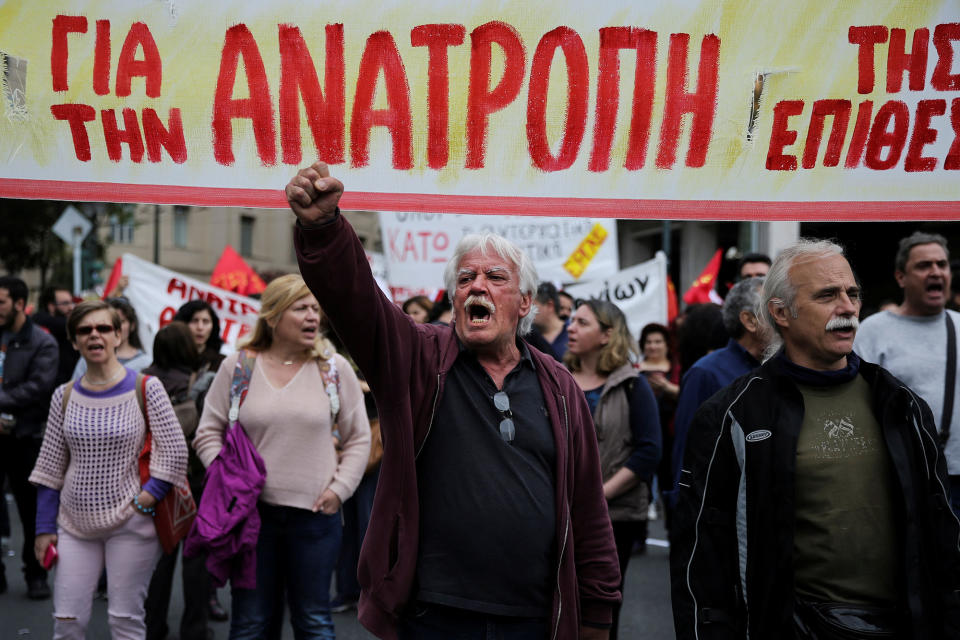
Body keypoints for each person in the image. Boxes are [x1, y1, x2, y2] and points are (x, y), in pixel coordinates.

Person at [286, 161, 620, 640]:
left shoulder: (560, 387)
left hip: (533, 616)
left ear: (525, 303)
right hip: (435, 614)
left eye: (494, 278)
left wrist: (597, 615)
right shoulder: (418, 358)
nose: (476, 286)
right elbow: (356, 301)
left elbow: (588, 507)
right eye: (465, 279)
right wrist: (323, 230)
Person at [671, 239, 960, 639]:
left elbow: (943, 536)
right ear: (781, 313)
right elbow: (701, 559)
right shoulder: (732, 415)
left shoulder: (901, 405)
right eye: (827, 295)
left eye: (852, 294)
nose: (847, 307)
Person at [192, 274, 371, 640]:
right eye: (301, 308)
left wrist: (339, 490)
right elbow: (207, 432)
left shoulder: (334, 369)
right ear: (272, 316)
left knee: (314, 621)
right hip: (250, 518)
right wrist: (226, 480)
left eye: (316, 309)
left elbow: (358, 438)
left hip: (316, 520)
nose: (312, 317)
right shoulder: (238, 366)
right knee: (251, 622)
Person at [30, 299, 189, 638]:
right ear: (74, 341)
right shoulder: (65, 395)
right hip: (74, 524)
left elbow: (174, 452)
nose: (94, 336)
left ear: (119, 335)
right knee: (67, 621)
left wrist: (147, 499)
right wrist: (44, 527)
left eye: (103, 328)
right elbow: (50, 467)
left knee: (125, 620)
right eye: (85, 331)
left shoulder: (146, 387)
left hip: (132, 524)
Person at [565, 299, 660, 640]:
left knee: (600, 611)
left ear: (607, 335)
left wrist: (597, 496)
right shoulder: (557, 379)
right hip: (561, 514)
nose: (570, 328)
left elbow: (649, 452)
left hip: (614, 517)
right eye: (571, 320)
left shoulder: (633, 385)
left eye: (582, 322)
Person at [854, 231, 960, 517]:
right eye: (924, 266)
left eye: (942, 264)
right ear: (901, 277)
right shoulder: (873, 331)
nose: (935, 272)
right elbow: (857, 402)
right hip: (903, 476)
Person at [143, 321, 217, 640]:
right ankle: (195, 628)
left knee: (158, 559)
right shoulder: (199, 383)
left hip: (154, 482)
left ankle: (151, 626)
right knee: (196, 559)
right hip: (196, 480)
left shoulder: (140, 382)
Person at [668, 278, 768, 510]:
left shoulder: (780, 368)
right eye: (773, 308)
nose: (785, 316)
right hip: (718, 512)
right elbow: (686, 451)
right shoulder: (706, 372)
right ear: (749, 320)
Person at [0, 276, 58, 598]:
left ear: (20, 304)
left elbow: (39, 387)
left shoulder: (42, 342)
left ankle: (36, 575)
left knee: (30, 510)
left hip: (26, 438)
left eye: (2, 302)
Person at [637, 323, 681, 527]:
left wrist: (668, 388)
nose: (653, 346)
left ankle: (673, 529)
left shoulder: (676, 369)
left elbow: (685, 395)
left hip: (669, 435)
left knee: (669, 483)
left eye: (658, 342)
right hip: (639, 435)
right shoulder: (634, 370)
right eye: (648, 342)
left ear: (666, 344)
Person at [72, 297, 151, 378]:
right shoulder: (90, 357)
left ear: (132, 325)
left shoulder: (146, 363)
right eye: (110, 322)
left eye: (121, 322)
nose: (117, 327)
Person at [32, 285, 79, 386]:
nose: (71, 307)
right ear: (51, 306)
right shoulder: (41, 321)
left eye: (72, 302)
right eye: (66, 303)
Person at [173, 300, 226, 372]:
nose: (200, 327)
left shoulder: (221, 364)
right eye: (194, 321)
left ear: (213, 326)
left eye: (205, 321)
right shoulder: (168, 358)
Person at [532, 282, 569, 360]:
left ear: (550, 305)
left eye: (533, 306)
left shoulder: (572, 333)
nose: (528, 311)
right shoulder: (529, 335)